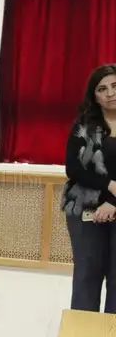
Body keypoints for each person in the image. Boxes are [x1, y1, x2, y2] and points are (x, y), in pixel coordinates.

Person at [62, 64, 116, 313]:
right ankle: (83, 334)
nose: (110, 93)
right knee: (87, 274)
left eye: (114, 86)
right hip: (85, 208)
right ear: (94, 96)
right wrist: (109, 186)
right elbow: (74, 169)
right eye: (102, 89)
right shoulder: (83, 126)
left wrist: (112, 203)